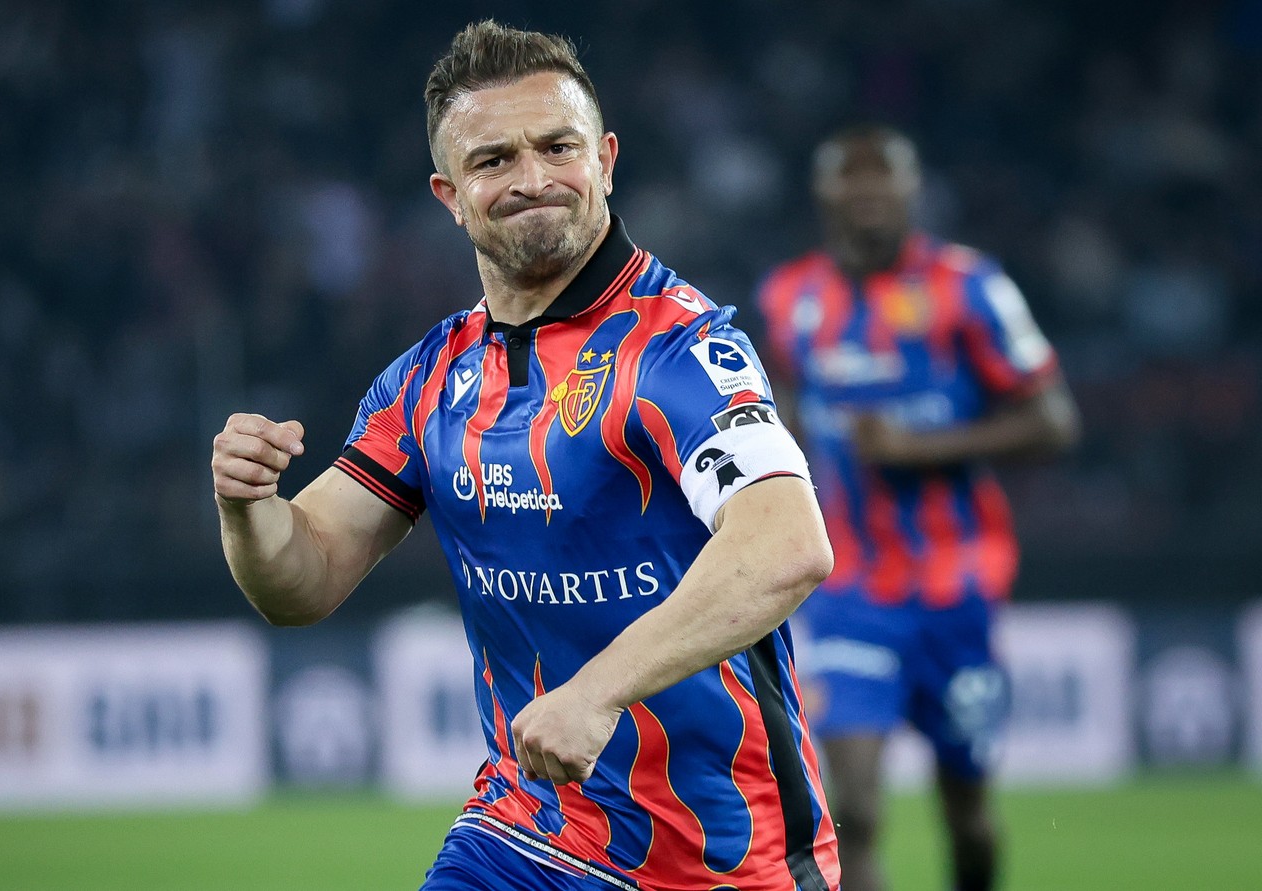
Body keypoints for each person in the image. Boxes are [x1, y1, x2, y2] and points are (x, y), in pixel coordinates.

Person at [212, 21, 841, 891]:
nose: (533, 178)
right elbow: (302, 580)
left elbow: (789, 545)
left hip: (718, 861)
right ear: (450, 193)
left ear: (606, 160)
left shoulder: (680, 348)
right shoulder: (428, 380)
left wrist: (596, 692)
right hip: (523, 833)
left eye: (557, 147)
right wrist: (248, 509)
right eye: (494, 159)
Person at [755, 124, 1083, 891]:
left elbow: (1054, 422)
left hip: (957, 587)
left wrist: (917, 447)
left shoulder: (971, 287)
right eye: (850, 175)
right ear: (824, 192)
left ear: (911, 189)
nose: (867, 190)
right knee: (854, 808)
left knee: (966, 811)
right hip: (849, 590)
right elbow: (785, 417)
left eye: (884, 175)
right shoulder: (790, 296)